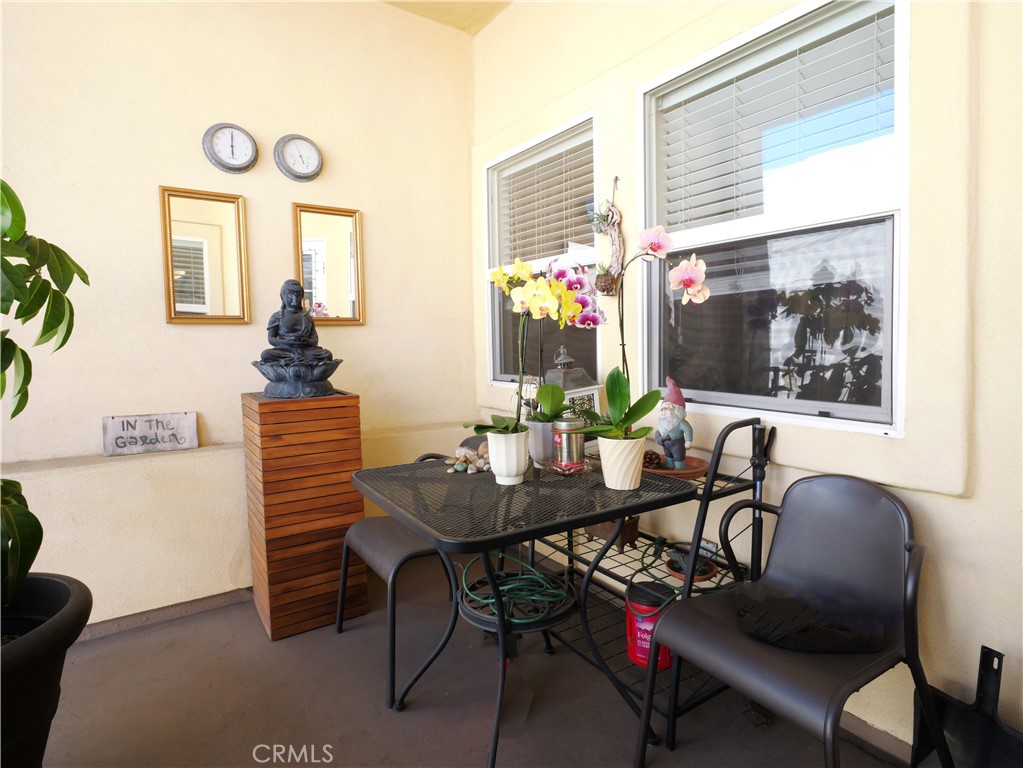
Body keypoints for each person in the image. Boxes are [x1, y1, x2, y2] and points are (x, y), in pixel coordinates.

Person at [260, 279, 333, 363]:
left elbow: (315, 340)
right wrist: (287, 342)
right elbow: (271, 339)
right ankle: (297, 359)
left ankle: (295, 359)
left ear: (302, 297)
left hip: (305, 350)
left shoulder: (307, 317)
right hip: (285, 350)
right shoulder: (277, 316)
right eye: (290, 296)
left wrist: (306, 341)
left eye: (298, 296)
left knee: (327, 354)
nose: (295, 300)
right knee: (266, 354)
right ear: (282, 296)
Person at [654, 377, 693, 470]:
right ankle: (669, 463)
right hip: (665, 443)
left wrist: (688, 441)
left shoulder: (680, 422)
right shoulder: (662, 421)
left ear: (677, 411)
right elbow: (659, 429)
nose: (665, 411)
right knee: (668, 454)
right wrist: (658, 436)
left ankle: (679, 467)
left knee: (678, 454)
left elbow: (688, 429)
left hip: (676, 443)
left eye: (669, 409)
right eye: (663, 408)